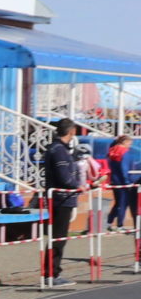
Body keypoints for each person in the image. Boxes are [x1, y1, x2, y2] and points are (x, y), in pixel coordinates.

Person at [40, 119, 86, 283]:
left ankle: (52, 272)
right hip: (61, 198)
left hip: (62, 198)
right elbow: (64, 177)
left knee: (58, 237)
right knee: (58, 238)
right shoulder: (58, 150)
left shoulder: (59, 149)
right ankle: (51, 274)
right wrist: (78, 186)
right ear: (71, 131)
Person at [108, 130, 138, 233]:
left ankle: (109, 221)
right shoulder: (124, 152)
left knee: (117, 203)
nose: (130, 145)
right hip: (122, 182)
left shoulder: (112, 150)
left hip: (114, 180)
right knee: (123, 203)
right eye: (129, 143)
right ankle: (120, 225)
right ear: (124, 142)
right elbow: (124, 168)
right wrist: (127, 182)